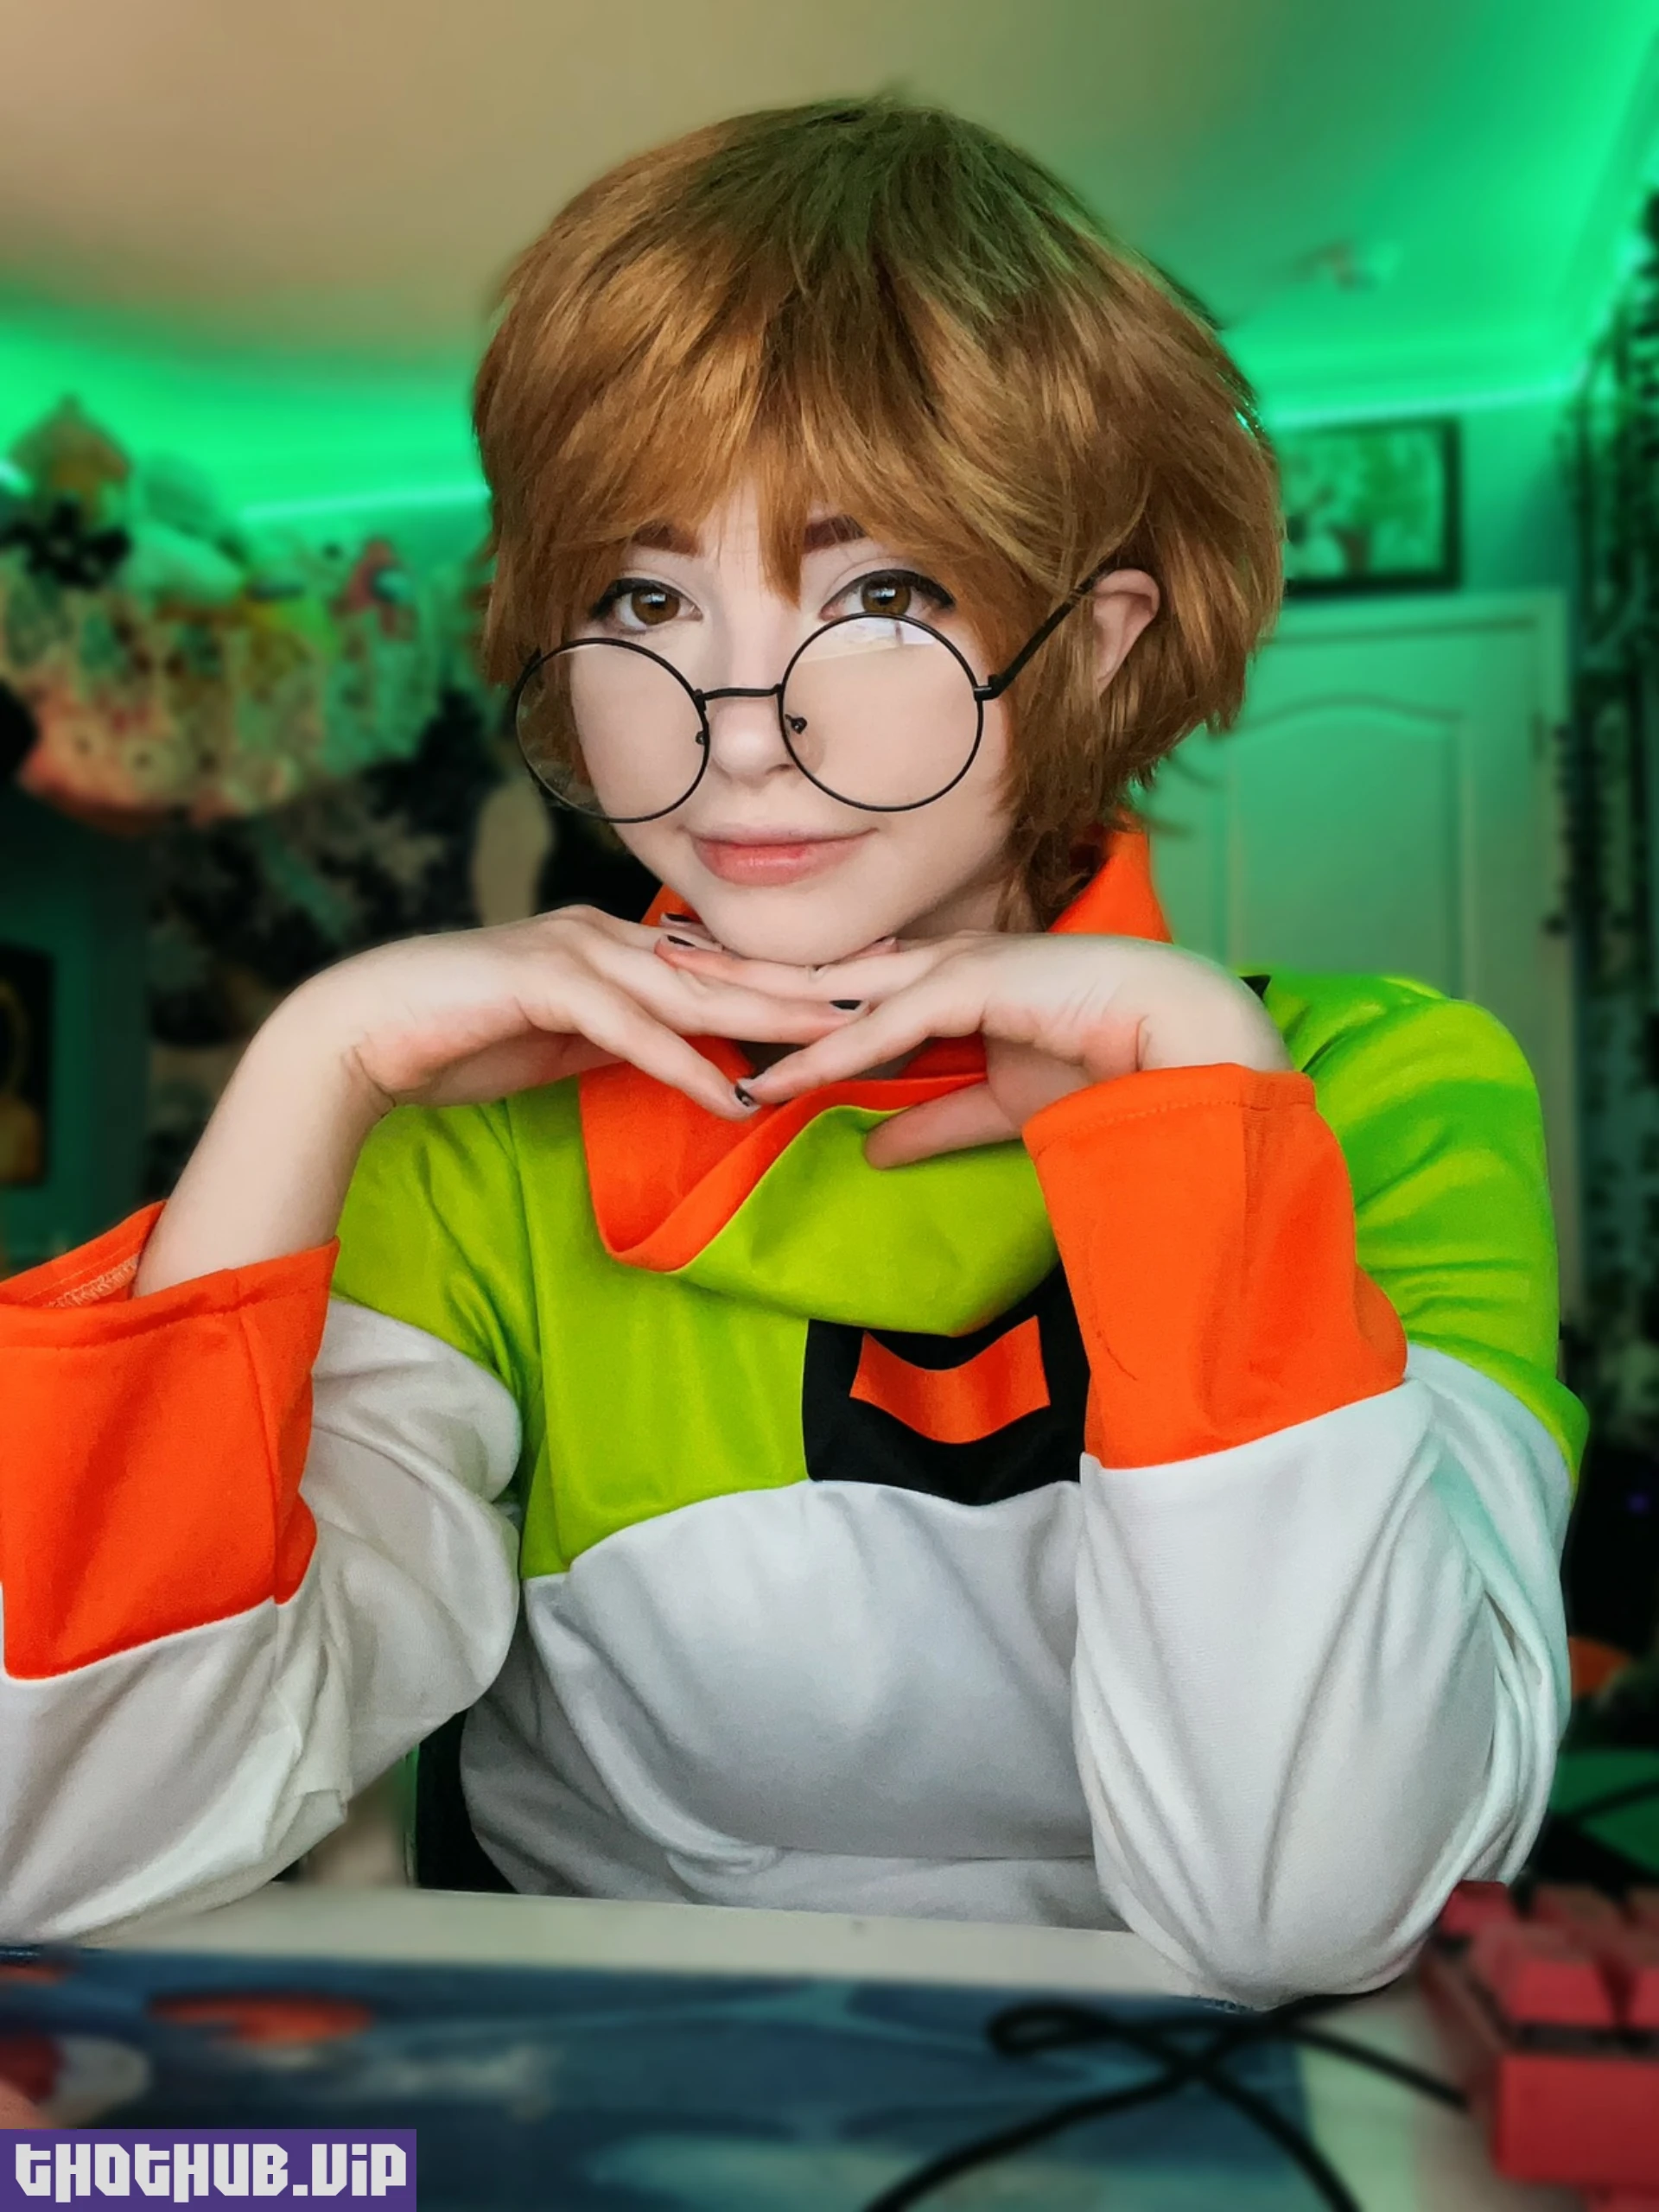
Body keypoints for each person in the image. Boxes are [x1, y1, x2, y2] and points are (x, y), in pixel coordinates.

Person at [0, 99, 1580, 2009]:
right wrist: (308, 1069)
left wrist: (1193, 1114)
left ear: (1096, 644)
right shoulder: (483, 1154)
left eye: (882, 594)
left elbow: (1320, 1903)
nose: (741, 729)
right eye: (645, 599)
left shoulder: (1384, 1093)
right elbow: (60, 1834)